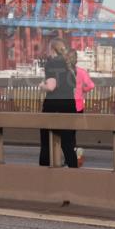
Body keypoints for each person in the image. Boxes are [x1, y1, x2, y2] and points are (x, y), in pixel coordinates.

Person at [38, 38, 79, 168]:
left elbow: (51, 86)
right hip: (69, 105)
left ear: (52, 49)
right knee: (68, 144)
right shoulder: (70, 64)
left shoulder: (51, 63)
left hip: (53, 105)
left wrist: (41, 85)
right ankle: (73, 172)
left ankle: (44, 175)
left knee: (46, 143)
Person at [69, 48, 95, 168]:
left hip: (65, 105)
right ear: (76, 59)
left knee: (66, 132)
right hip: (78, 106)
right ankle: (74, 153)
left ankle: (70, 155)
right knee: (73, 132)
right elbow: (91, 85)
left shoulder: (63, 72)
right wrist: (82, 90)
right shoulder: (82, 72)